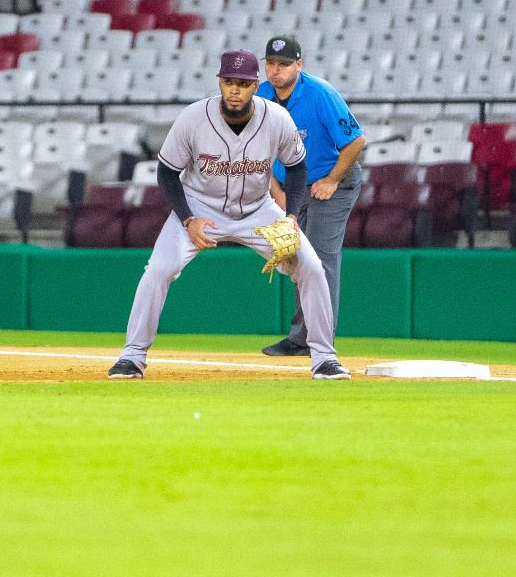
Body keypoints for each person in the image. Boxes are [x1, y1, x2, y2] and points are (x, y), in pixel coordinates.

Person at [108, 49, 351, 381]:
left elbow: (296, 168)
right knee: (158, 269)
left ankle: (324, 358)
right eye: (228, 82)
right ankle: (132, 356)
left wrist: (291, 215)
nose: (235, 90)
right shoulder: (193, 118)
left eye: (243, 83)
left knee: (311, 267)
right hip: (199, 206)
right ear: (219, 83)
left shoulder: (277, 118)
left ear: (255, 86)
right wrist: (187, 219)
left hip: (258, 209)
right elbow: (166, 173)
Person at [258, 36, 365, 358]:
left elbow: (355, 141)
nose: (276, 71)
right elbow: (255, 150)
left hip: (329, 182)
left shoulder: (320, 93)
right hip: (291, 186)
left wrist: (332, 180)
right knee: (295, 257)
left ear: (299, 65)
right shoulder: (261, 95)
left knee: (319, 258)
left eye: (284, 64)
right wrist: (276, 192)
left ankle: (317, 339)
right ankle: (301, 337)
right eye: (271, 64)